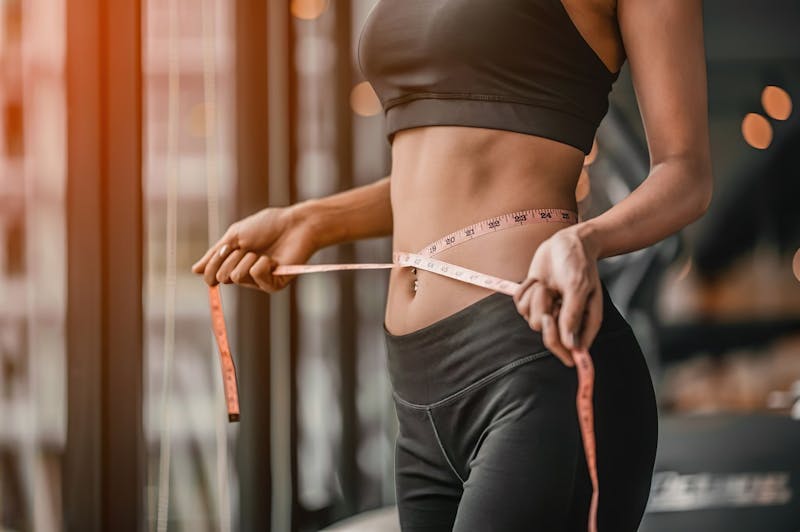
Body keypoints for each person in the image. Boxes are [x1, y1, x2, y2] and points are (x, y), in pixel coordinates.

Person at [192, 0, 713, 530]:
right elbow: (449, 176)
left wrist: (585, 239)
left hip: (536, 365)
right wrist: (311, 221)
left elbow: (686, 173)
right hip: (415, 390)